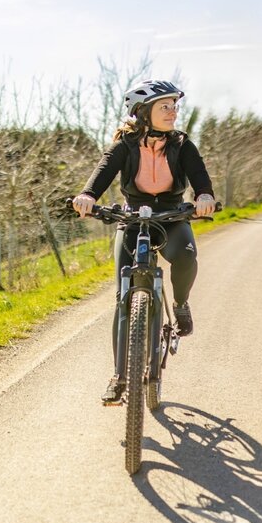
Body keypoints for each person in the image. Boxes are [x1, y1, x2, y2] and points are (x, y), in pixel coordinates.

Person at [72, 79, 216, 404]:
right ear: (143, 112)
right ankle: (119, 377)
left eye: (174, 106)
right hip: (134, 217)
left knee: (187, 256)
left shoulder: (181, 144)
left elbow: (200, 177)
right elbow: (103, 171)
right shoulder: (125, 145)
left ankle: (179, 305)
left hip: (171, 215)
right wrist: (87, 195)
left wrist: (205, 196)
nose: (173, 112)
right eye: (165, 106)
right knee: (123, 296)